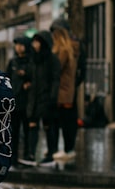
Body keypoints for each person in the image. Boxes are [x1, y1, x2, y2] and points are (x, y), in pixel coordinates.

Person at [24, 30, 61, 166]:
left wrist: (53, 97)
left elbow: (55, 80)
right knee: (32, 126)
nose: (34, 45)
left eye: (37, 41)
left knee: (48, 126)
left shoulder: (52, 60)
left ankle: (51, 153)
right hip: (34, 98)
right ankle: (31, 154)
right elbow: (30, 75)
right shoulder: (33, 59)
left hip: (46, 99)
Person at [50, 21, 81, 160]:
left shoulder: (62, 51)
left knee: (63, 121)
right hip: (68, 91)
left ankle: (67, 149)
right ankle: (68, 148)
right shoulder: (71, 49)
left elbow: (56, 69)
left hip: (62, 91)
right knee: (67, 120)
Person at [5, 35, 34, 166]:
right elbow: (7, 78)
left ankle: (28, 156)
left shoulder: (31, 62)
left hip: (27, 102)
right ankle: (13, 157)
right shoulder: (13, 62)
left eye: (20, 45)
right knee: (14, 132)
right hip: (14, 102)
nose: (18, 48)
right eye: (16, 45)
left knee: (28, 132)